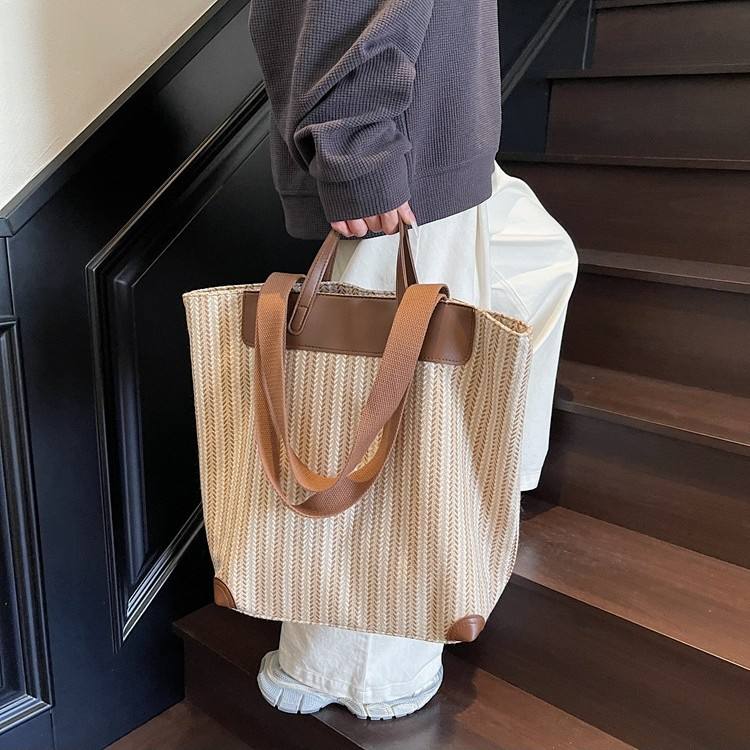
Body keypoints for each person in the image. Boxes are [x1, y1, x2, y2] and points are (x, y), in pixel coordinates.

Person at [248, 0, 578, 720]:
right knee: (381, 421)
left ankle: (484, 484)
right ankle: (352, 671)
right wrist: (357, 144)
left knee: (543, 262)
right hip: (403, 150)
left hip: (442, 140)